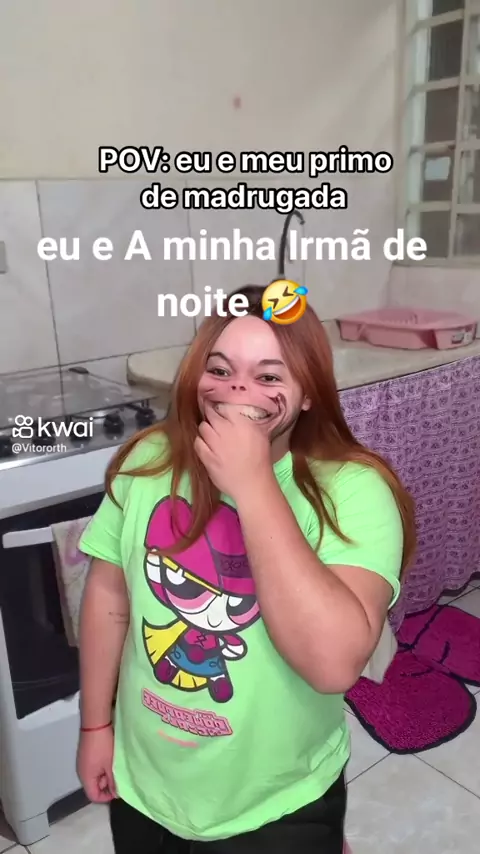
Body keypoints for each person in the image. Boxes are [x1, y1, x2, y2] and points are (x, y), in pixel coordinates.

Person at [77, 284, 416, 854]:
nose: (238, 388)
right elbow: (109, 596)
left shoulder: (355, 492)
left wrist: (253, 483)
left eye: (269, 376)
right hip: (144, 784)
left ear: (307, 394)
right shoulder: (147, 461)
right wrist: (95, 726)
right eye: (220, 369)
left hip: (279, 801)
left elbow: (334, 665)